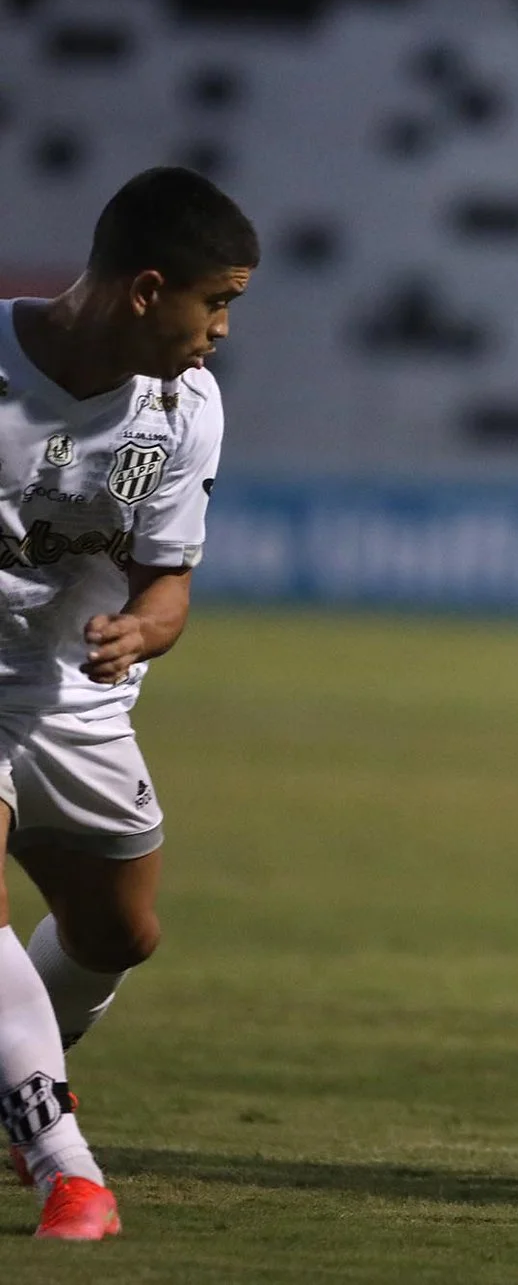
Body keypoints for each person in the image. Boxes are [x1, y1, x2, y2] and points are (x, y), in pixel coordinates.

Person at [1, 165, 253, 1240]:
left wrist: (146, 629)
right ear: (148, 290)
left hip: (78, 695)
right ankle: (65, 1165)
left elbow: (169, 581)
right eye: (220, 300)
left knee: (119, 934)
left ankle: (21, 1073)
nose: (226, 329)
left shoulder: (186, 405)